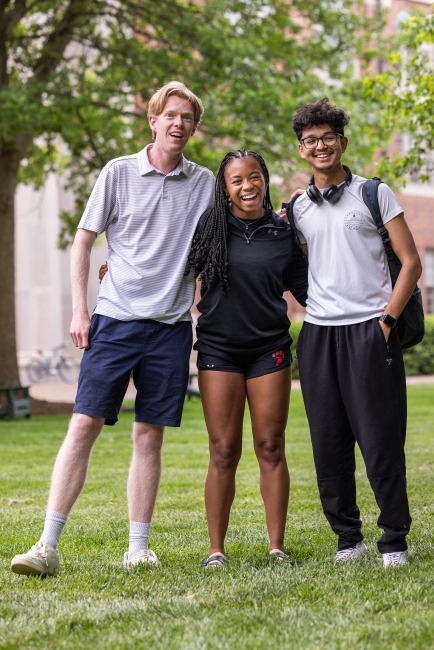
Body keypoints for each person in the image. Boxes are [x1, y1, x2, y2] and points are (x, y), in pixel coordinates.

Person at [11, 81, 215, 576]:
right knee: (83, 424)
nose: (178, 124)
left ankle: (138, 547)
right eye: (169, 115)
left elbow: (215, 248)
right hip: (115, 321)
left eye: (187, 118)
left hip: (169, 328)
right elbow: (83, 243)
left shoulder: (205, 182)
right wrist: (80, 312)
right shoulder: (119, 172)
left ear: (193, 126)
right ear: (153, 120)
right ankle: (47, 545)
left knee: (149, 437)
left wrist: (201, 304)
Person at [288, 98, 422, 567]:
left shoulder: (373, 193)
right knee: (327, 442)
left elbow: (411, 262)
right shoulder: (297, 208)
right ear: (301, 149)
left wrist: (386, 320)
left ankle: (393, 540)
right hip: (319, 335)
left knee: (380, 439)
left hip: (370, 329)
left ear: (342, 143)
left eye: (328, 138)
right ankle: (348, 538)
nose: (320, 146)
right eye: (310, 140)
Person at [186, 149, 308, 567]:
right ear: (225, 187)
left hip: (268, 349)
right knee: (223, 450)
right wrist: (122, 270)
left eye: (253, 177)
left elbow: (308, 289)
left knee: (270, 445)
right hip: (219, 349)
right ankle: (215, 550)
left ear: (264, 179)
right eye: (237, 180)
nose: (247, 186)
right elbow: (174, 267)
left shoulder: (283, 232)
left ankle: (277, 547)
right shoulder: (211, 227)